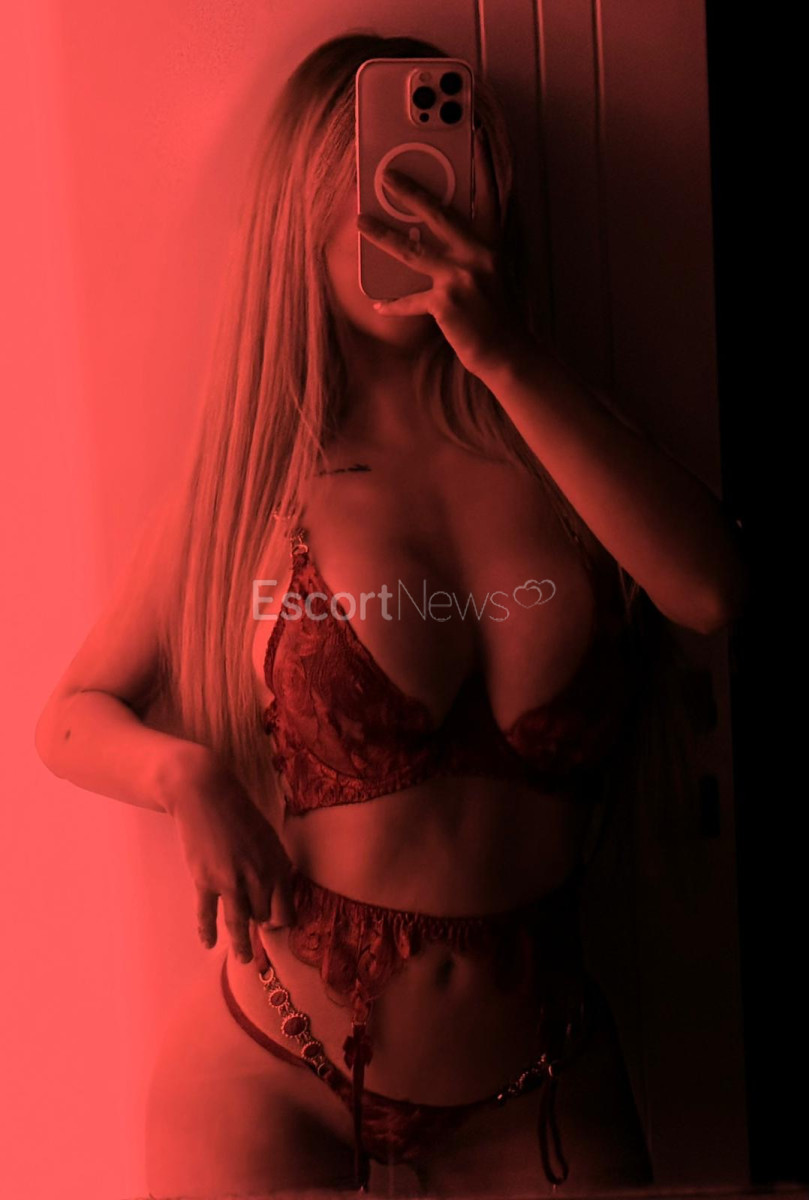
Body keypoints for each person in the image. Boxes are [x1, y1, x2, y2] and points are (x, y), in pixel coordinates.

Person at [35, 31, 749, 1199]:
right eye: (385, 193)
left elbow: (710, 594)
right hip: (271, 1075)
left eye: (446, 187)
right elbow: (69, 714)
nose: (419, 225)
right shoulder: (253, 489)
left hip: (541, 1090)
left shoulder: (564, 446)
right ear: (302, 214)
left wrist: (504, 353)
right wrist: (183, 775)